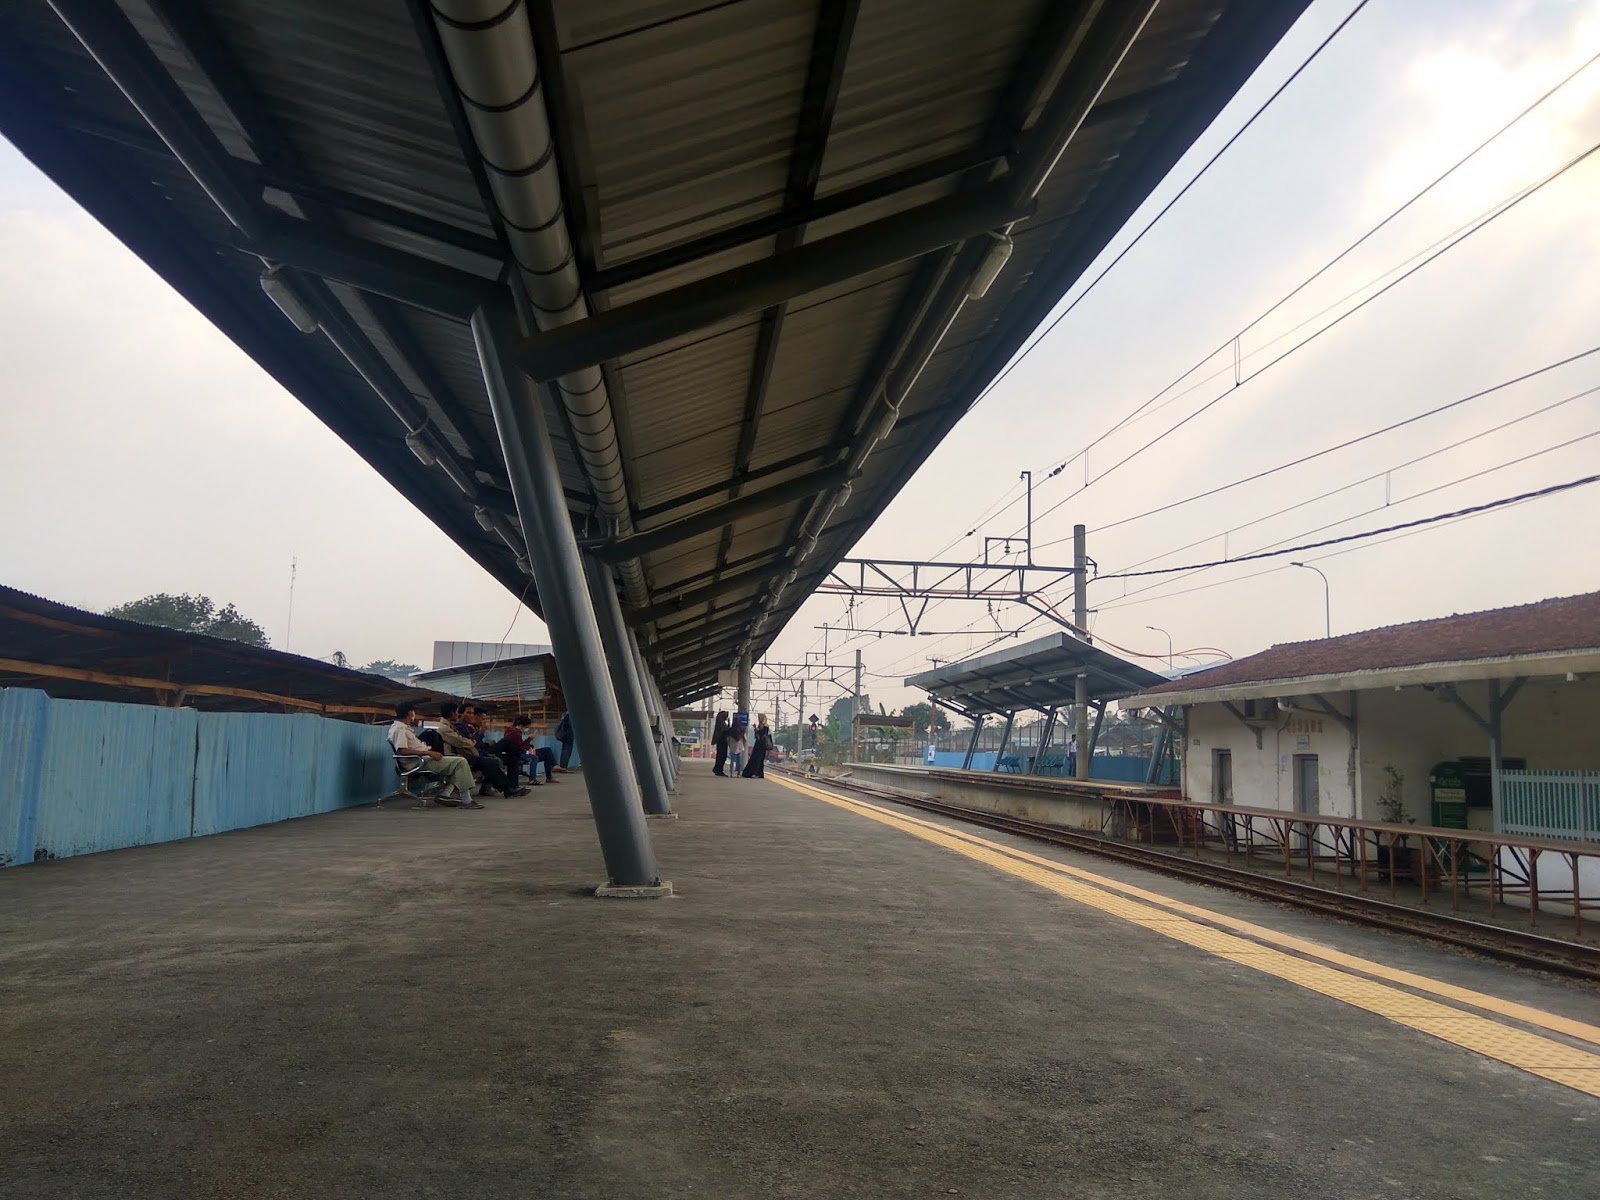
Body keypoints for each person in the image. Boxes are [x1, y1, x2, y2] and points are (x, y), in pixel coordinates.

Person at [386, 702, 483, 809]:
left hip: (422, 759)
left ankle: (445, 794)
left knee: (458, 762)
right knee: (461, 762)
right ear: (410, 713)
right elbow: (403, 750)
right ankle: (466, 801)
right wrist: (429, 753)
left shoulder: (403, 728)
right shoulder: (400, 729)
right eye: (414, 712)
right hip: (418, 762)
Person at [438, 703, 525, 797]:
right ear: (453, 713)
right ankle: (507, 788)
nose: (471, 715)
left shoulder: (454, 726)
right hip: (459, 756)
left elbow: (470, 743)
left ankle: (508, 787)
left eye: (472, 713)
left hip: (468, 754)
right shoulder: (449, 728)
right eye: (468, 713)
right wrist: (478, 738)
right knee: (495, 757)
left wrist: (476, 744)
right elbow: (463, 742)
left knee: (504, 758)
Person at [501, 715, 560, 785]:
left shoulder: (510, 731)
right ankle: (532, 779)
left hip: (521, 751)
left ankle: (551, 772)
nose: (526, 729)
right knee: (535, 757)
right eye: (526, 727)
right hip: (518, 754)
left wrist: (528, 746)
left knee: (547, 751)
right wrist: (529, 739)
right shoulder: (516, 733)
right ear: (521, 725)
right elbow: (520, 747)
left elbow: (518, 745)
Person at [741, 714, 773, 779]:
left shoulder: (765, 726)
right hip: (758, 745)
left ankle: (756, 773)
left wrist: (757, 730)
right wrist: (756, 729)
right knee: (756, 759)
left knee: (758, 760)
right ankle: (757, 773)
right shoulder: (760, 726)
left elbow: (762, 734)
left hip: (761, 745)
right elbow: (757, 736)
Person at [711, 711, 731, 776]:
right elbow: (727, 730)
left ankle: (717, 769)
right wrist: (729, 723)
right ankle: (718, 770)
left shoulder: (720, 722)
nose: (726, 717)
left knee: (720, 756)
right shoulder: (721, 723)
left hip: (721, 741)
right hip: (722, 741)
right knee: (722, 756)